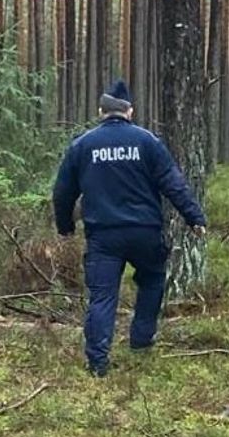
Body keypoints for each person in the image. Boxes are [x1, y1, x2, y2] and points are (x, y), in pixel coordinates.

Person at [53, 80, 207, 376]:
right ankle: (141, 341)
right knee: (152, 280)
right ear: (129, 111)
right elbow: (173, 183)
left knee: (102, 296)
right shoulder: (147, 142)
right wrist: (194, 217)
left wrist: (65, 228)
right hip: (145, 232)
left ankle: (98, 363)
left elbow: (62, 193)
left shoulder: (82, 145)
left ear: (101, 111)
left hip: (103, 236)